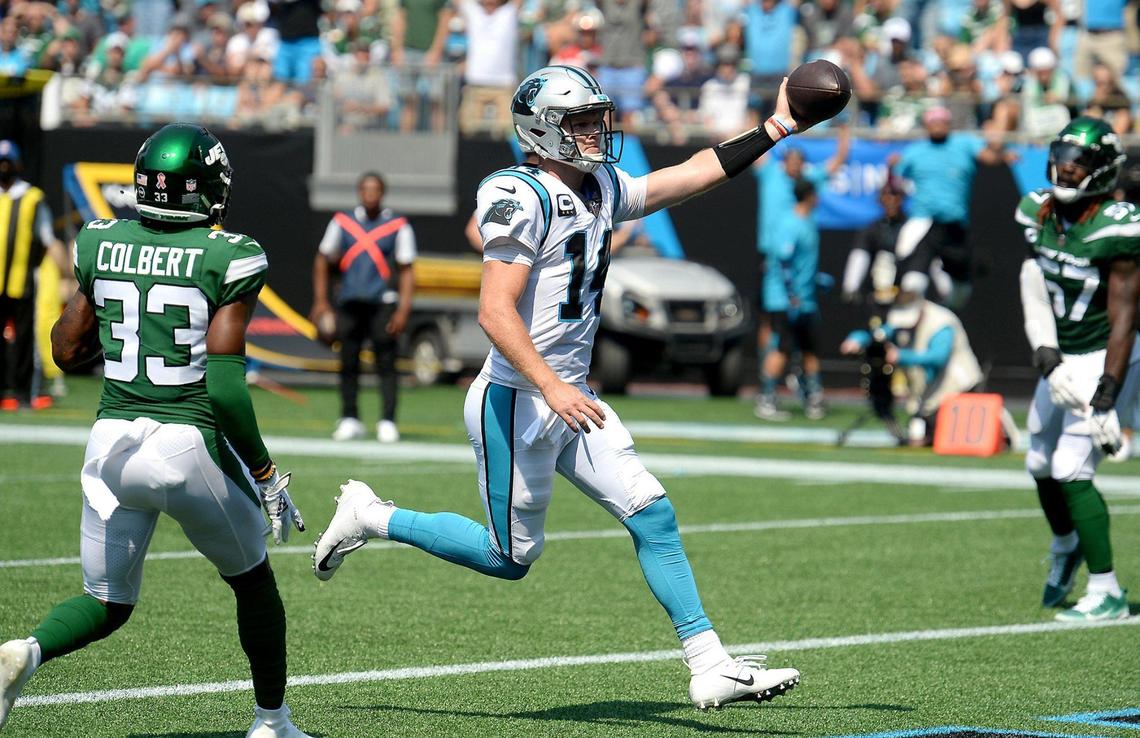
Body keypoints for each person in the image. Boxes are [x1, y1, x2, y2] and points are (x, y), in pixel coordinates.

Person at [311, 64, 839, 709]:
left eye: (596, 119)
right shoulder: (518, 194)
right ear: (543, 130)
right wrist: (551, 386)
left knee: (653, 513)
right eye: (581, 122)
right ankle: (373, 515)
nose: (596, 132)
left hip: (571, 399)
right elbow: (494, 312)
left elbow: (694, 173)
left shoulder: (602, 187)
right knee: (510, 557)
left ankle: (709, 663)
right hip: (517, 399)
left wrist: (778, 125)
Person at [0, 124, 310, 737]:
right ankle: (271, 722)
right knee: (253, 582)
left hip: (110, 442)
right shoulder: (230, 252)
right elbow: (223, 386)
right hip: (185, 442)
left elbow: (64, 350)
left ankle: (26, 652)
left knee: (107, 601)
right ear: (207, 189)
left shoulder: (99, 240)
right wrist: (266, 473)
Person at [1016, 116, 1136, 621]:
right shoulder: (1036, 212)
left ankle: (1107, 590)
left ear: (1102, 169)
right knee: (1038, 461)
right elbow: (1032, 281)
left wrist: (1108, 393)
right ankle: (1067, 542)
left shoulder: (1118, 225)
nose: (1065, 169)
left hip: (1111, 352)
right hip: (1064, 353)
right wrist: (1046, 357)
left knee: (1071, 467)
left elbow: (1125, 315)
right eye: (1061, 158)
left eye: (1078, 161)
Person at [311, 171, 416, 444]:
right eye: (366, 189)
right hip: (349, 302)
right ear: (360, 192)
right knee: (348, 361)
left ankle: (388, 421)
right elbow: (323, 259)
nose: (370, 194)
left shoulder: (397, 225)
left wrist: (404, 309)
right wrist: (321, 301)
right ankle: (349, 418)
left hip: (383, 303)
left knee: (387, 364)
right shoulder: (342, 222)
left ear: (382, 193)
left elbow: (406, 269)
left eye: (375, 189)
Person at [890, 105, 1012, 311]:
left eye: (941, 121)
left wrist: (999, 147)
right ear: (926, 125)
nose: (937, 126)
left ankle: (947, 316)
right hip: (923, 222)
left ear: (948, 124)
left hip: (954, 226)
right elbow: (894, 183)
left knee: (958, 287)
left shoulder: (964, 144)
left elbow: (990, 157)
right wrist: (892, 167)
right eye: (932, 122)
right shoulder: (914, 151)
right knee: (911, 270)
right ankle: (905, 318)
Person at [840, 288, 984, 445]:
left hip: (961, 390)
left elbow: (938, 357)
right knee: (921, 437)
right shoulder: (899, 322)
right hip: (929, 396)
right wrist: (856, 340)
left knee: (957, 440)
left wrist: (901, 356)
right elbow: (876, 335)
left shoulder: (942, 321)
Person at [0, 140, 68, 411]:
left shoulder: (32, 197)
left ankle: (24, 391)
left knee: (26, 338)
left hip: (22, 280)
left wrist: (65, 271)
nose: (4, 168)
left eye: (8, 162)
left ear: (18, 165)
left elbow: (48, 238)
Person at [756, 178, 826, 421]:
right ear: (808, 196)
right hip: (785, 300)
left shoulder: (809, 222)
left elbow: (802, 262)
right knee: (783, 348)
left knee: (809, 348)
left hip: (805, 299)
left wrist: (816, 281)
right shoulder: (790, 223)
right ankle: (766, 398)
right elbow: (783, 261)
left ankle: (813, 398)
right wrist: (792, 294)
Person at [841, 176, 906, 304]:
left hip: (907, 290)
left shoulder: (911, 227)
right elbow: (859, 255)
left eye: (895, 196)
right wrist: (851, 286)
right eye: (886, 196)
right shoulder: (872, 229)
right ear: (880, 200)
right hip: (879, 291)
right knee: (884, 260)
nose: (891, 200)